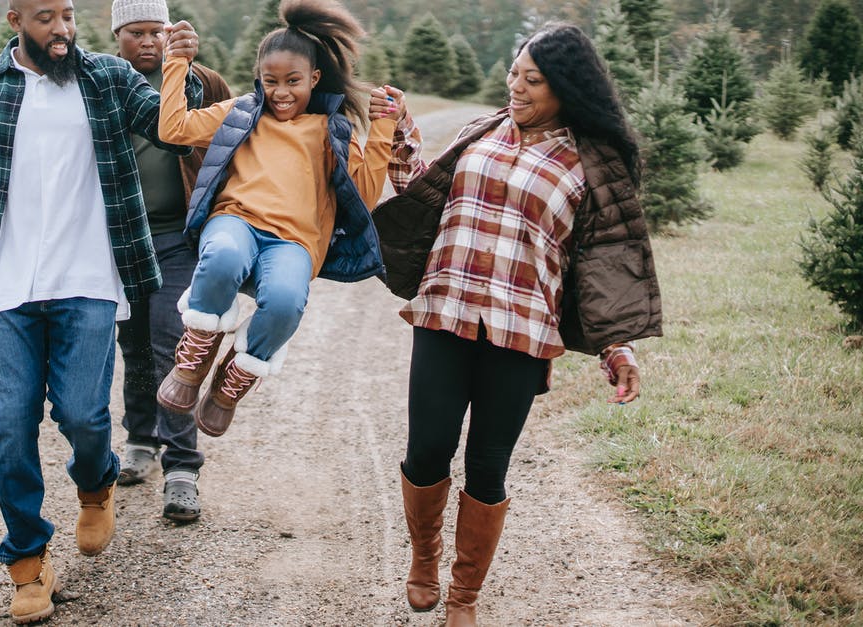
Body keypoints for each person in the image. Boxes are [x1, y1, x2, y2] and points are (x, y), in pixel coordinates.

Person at [0, 0, 202, 623]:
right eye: (46, 17)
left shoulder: (105, 77)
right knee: (12, 427)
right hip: (8, 289)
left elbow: (170, 128)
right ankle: (27, 564)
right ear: (15, 19)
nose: (63, 29)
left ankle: (96, 479)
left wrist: (181, 66)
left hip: (88, 281)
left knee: (81, 414)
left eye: (69, 15)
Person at [371, 23, 662, 626]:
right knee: (426, 451)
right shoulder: (484, 131)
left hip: (521, 332)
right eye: (514, 73)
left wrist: (617, 348)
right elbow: (428, 193)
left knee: (487, 465)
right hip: (445, 312)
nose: (517, 87)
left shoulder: (590, 163)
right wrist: (399, 134)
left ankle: (464, 597)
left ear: (566, 89)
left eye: (533, 80)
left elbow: (603, 263)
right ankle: (425, 555)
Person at [154, 0, 403, 438]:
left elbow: (363, 195)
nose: (282, 93)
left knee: (287, 301)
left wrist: (382, 127)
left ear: (315, 78)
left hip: (294, 243)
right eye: (271, 82)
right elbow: (173, 129)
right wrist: (177, 62)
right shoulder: (241, 112)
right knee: (224, 257)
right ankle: (195, 355)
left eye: (293, 82)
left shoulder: (331, 129)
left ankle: (232, 381)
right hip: (236, 220)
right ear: (258, 79)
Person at [107, 0, 232, 523]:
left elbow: (221, 136)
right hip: (120, 241)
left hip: (179, 240)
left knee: (173, 348)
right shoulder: (105, 83)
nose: (148, 42)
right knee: (132, 344)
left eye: (156, 32)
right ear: (117, 35)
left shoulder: (197, 81)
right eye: (135, 32)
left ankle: (182, 467)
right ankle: (140, 438)